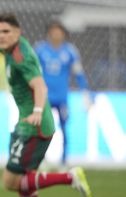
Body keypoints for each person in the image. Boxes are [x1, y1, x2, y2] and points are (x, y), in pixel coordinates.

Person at [0, 0, 92, 197]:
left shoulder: (22, 57)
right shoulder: (10, 46)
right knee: (24, 180)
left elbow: (40, 85)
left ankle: (70, 176)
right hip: (26, 123)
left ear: (18, 32)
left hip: (34, 126)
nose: (1, 36)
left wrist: (36, 111)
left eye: (6, 32)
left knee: (11, 181)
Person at [35, 21, 91, 167]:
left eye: (59, 31)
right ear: (48, 32)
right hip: (44, 97)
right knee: (42, 128)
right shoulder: (40, 50)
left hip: (62, 97)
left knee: (64, 127)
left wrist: (85, 94)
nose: (56, 34)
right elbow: (33, 71)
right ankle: (42, 158)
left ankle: (64, 159)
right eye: (53, 31)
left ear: (64, 33)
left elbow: (78, 74)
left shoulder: (70, 51)